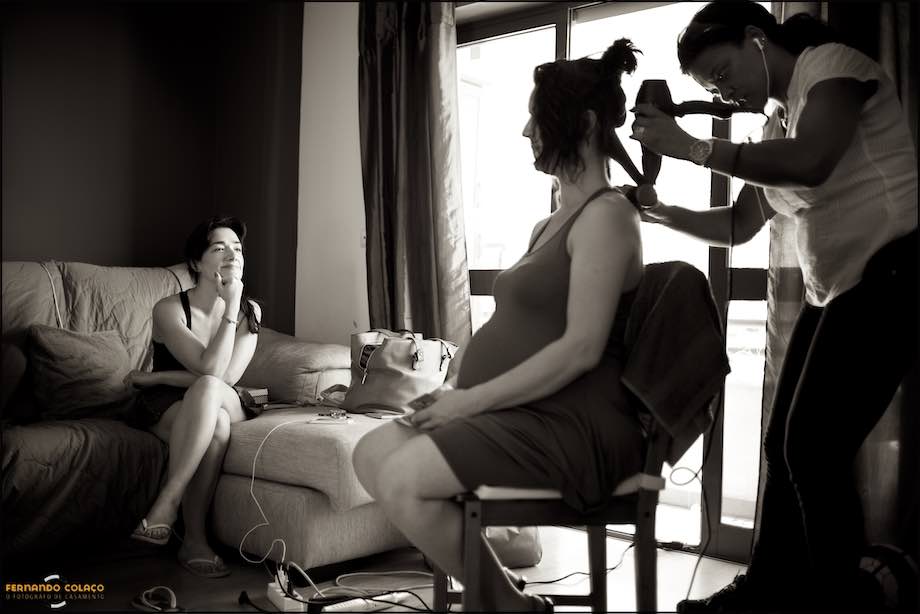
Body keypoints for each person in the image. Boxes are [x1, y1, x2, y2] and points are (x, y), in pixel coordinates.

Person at [629, 1, 918, 610]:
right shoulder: (775, 126)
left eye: (723, 72)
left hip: (892, 275)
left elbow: (813, 160)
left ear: (757, 39)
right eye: (709, 87)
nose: (721, 91)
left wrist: (695, 148)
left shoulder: (831, 67)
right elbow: (738, 224)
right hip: (836, 290)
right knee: (784, 449)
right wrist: (662, 213)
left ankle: (837, 599)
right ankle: (769, 591)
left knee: (811, 449)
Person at [352, 40, 646, 613]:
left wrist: (469, 404)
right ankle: (510, 606)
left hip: (571, 425)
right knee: (370, 454)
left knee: (406, 475)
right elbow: (518, 325)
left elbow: (581, 350)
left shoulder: (609, 217)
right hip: (519, 414)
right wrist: (454, 388)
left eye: (539, 118)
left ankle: (500, 607)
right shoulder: (549, 223)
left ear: (583, 125)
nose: (525, 131)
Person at [126, 216, 262, 579]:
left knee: (209, 390)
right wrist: (167, 384)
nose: (231, 254)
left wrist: (159, 376)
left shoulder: (250, 311)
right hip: (170, 404)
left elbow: (224, 377)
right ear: (196, 263)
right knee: (214, 422)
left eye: (237, 248)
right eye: (219, 248)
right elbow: (208, 368)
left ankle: (166, 504)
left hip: (225, 396)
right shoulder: (169, 309)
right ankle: (195, 542)